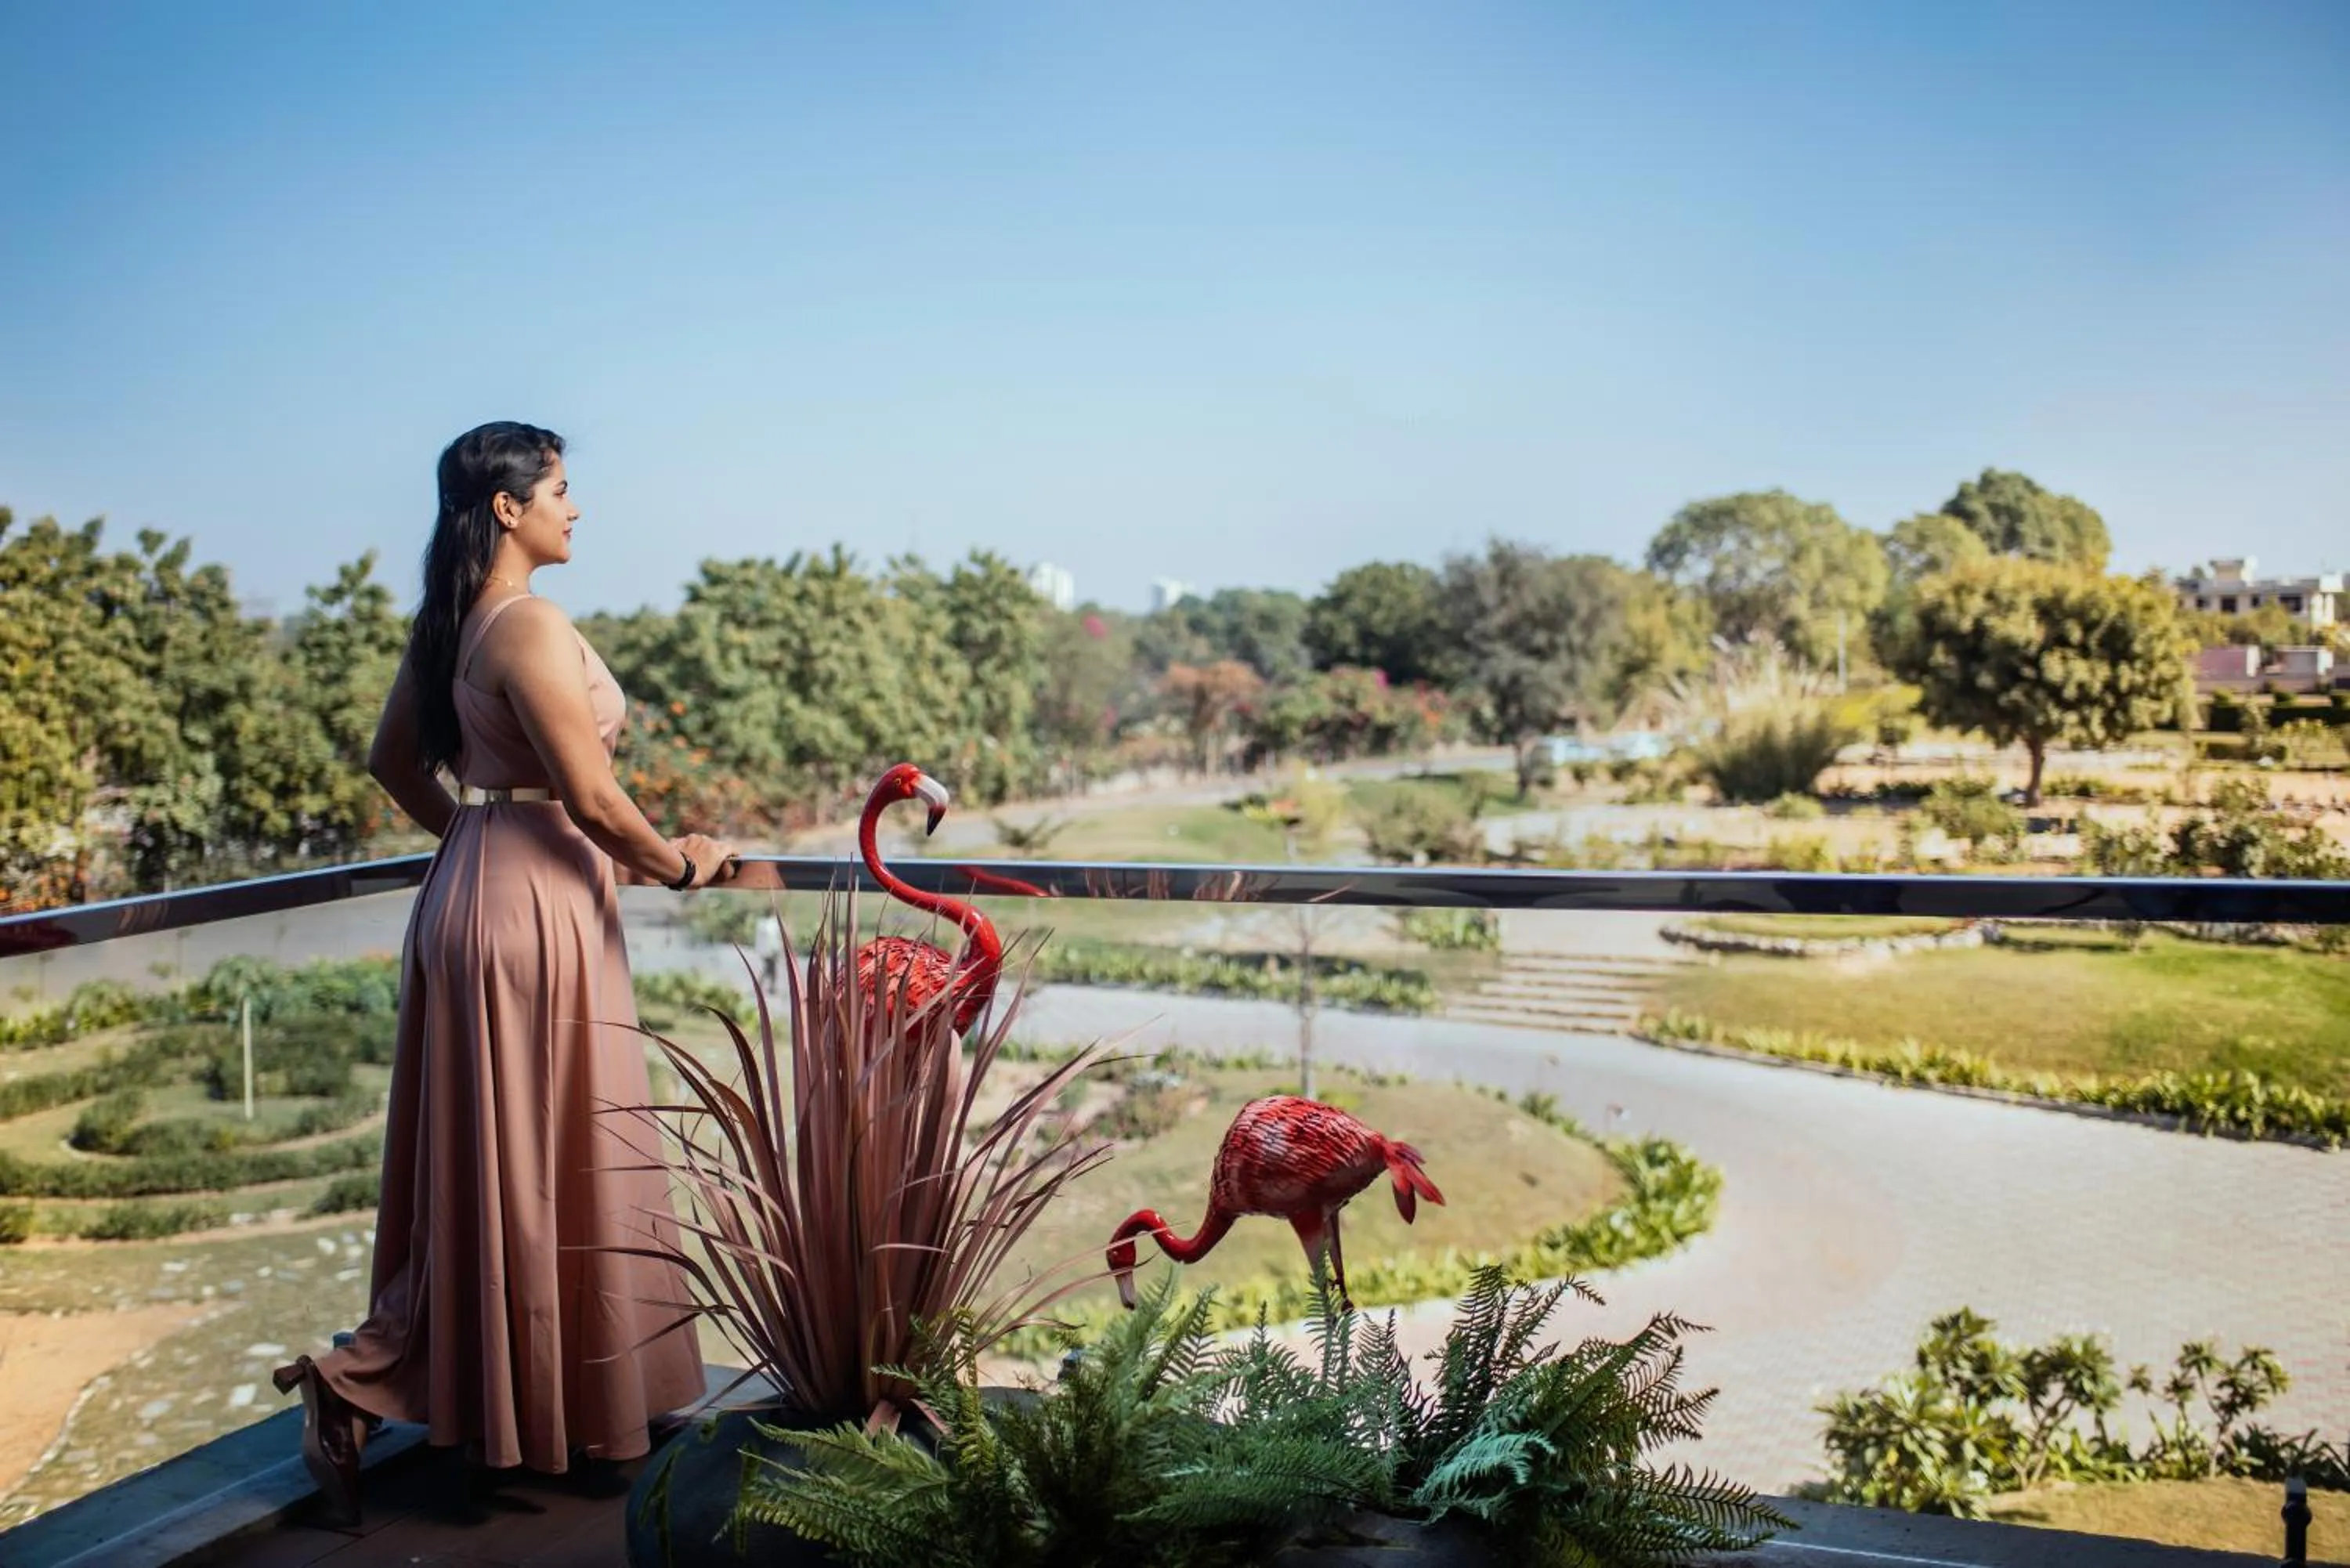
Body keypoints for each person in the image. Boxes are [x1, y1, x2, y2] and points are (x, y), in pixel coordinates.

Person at [270, 422, 736, 1523]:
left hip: (477, 887)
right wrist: (682, 865)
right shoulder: (527, 622)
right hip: (535, 911)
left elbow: (393, 761)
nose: (578, 508)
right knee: (548, 1150)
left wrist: (475, 839)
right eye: (562, 489)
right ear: (508, 508)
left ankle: (477, 1400)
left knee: (497, 1160)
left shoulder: (449, 621)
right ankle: (413, 1389)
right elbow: (593, 796)